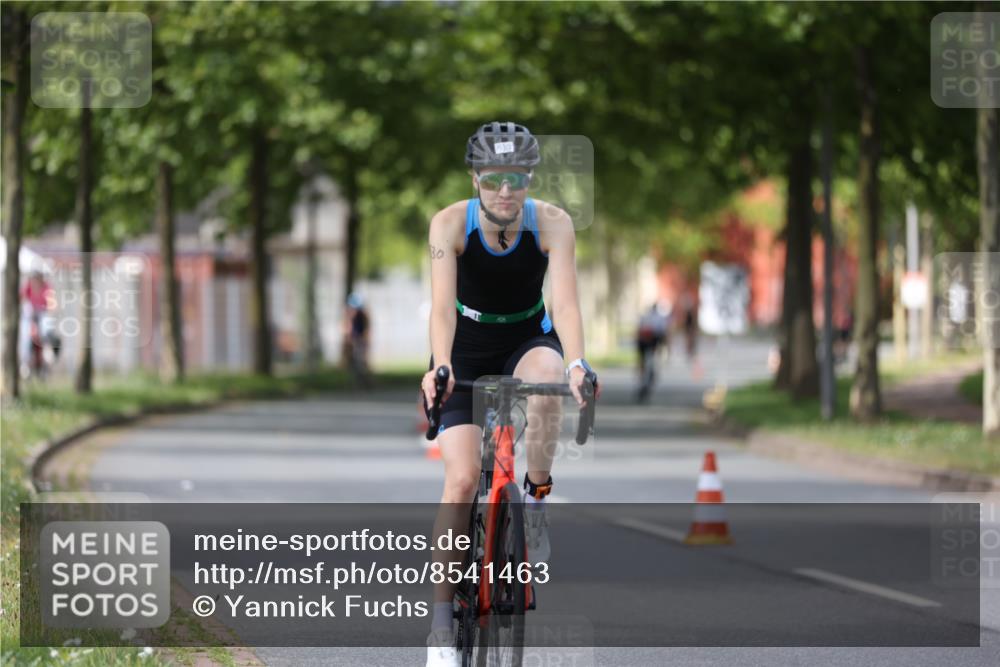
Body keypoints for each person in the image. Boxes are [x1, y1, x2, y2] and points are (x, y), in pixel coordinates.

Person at [420, 121, 597, 666]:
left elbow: (564, 304)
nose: (505, 190)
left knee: (546, 384)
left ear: (528, 178)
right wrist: (442, 366)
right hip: (465, 345)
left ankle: (536, 498)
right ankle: (442, 628)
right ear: (476, 177)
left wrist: (576, 363)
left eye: (516, 178)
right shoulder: (449, 224)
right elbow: (443, 308)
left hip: (526, 334)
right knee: (462, 479)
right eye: (494, 177)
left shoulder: (553, 223)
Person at [636, 301, 670, 403]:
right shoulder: (659, 318)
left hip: (646, 342)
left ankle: (644, 377)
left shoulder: (645, 316)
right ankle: (646, 378)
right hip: (650, 343)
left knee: (645, 363)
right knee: (650, 362)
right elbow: (663, 333)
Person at [344, 292, 371, 388]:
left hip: (360, 341)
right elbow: (349, 328)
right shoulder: (351, 315)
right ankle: (359, 382)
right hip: (355, 340)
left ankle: (365, 381)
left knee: (361, 362)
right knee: (355, 362)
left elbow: (366, 329)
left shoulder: (363, 315)